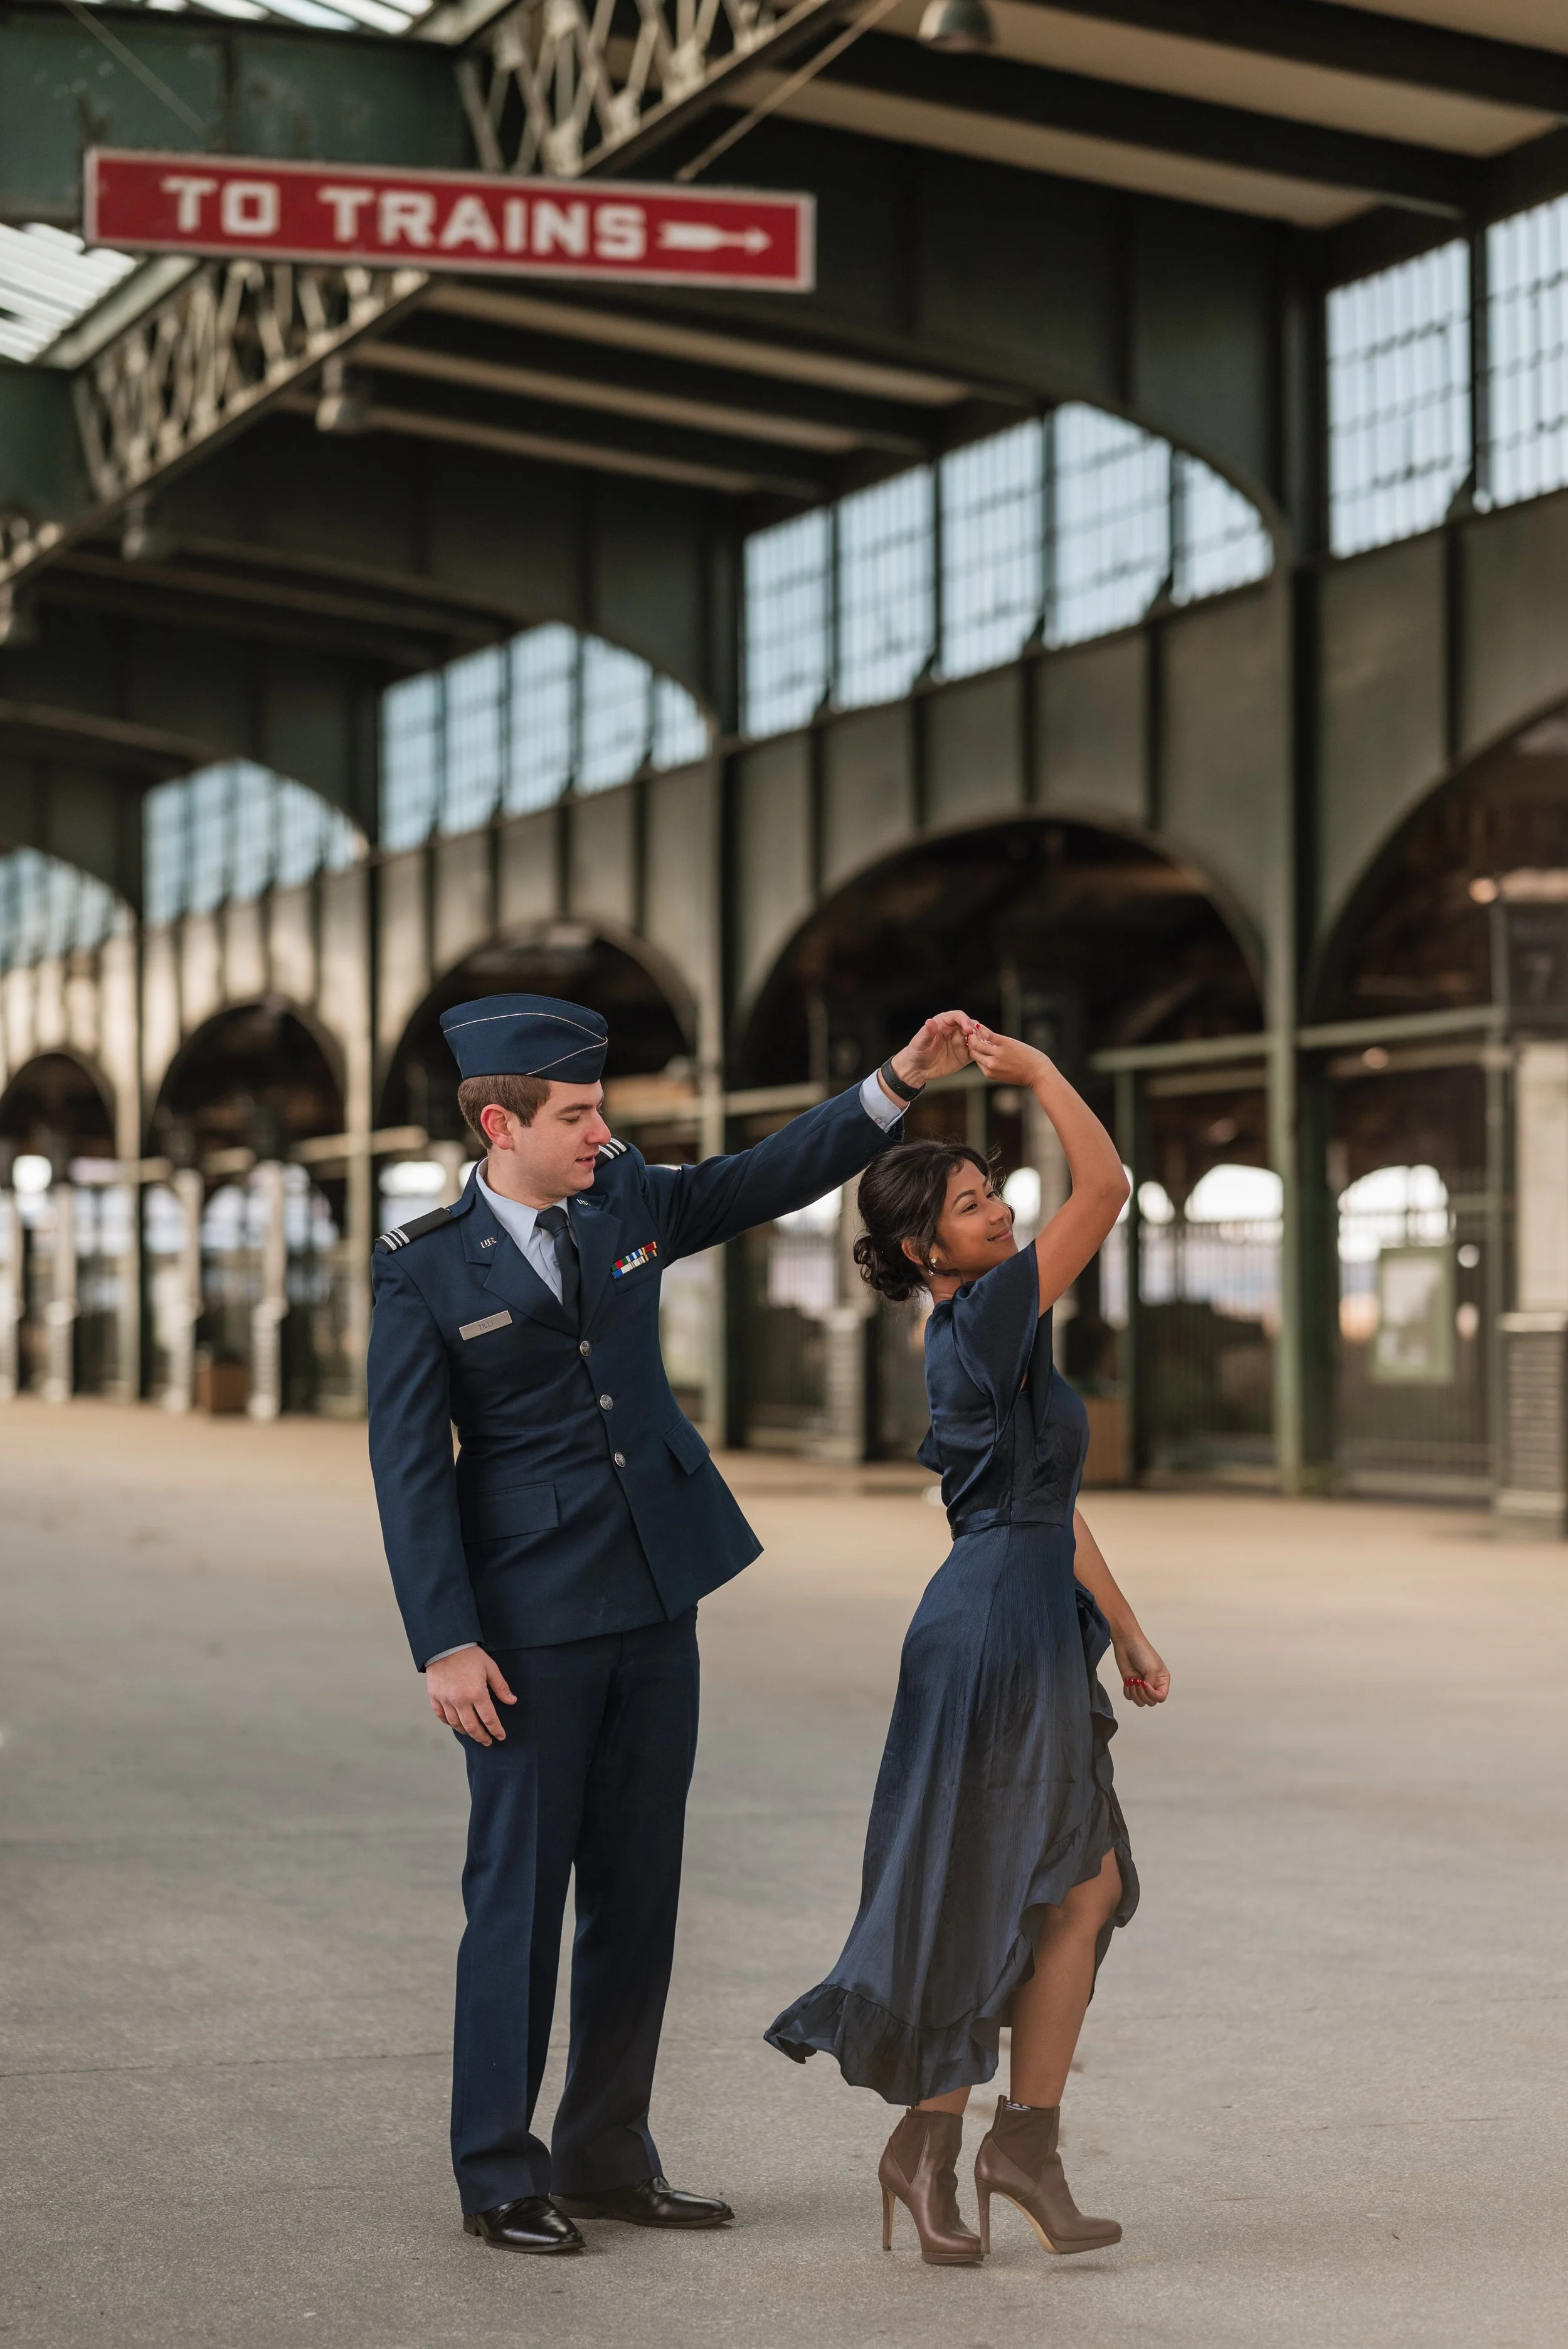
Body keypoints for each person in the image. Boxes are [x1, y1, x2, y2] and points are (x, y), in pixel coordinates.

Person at [366, 991, 975, 2256]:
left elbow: (764, 1177)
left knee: (639, 1898)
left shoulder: (628, 1199)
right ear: (500, 1121)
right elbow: (409, 1468)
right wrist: (444, 1640)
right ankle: (496, 2173)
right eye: (578, 1115)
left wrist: (896, 1082)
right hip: (525, 1627)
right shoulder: (424, 1265)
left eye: (601, 1113)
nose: (603, 1132)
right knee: (519, 1902)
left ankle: (603, 2154)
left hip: (654, 1598)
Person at [766, 1022, 1170, 2267]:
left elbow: (1040, 1497)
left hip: (1023, 1602)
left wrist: (1127, 1626)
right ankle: (927, 2151)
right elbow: (1105, 1187)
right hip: (992, 1629)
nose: (998, 1210)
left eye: (994, 1192)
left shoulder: (979, 1324)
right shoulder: (984, 1316)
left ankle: (1022, 2146)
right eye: (970, 1201)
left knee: (1082, 1887)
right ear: (917, 1249)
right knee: (988, 1882)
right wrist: (1043, 1071)